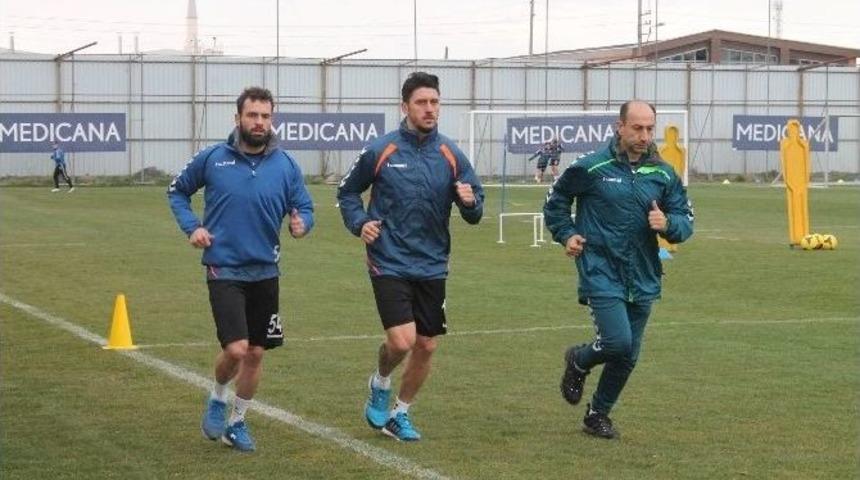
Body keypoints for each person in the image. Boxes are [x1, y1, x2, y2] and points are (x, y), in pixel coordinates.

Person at [337, 72, 484, 442]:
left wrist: (470, 202)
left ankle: (399, 414)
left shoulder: (451, 153)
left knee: (427, 344)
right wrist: (360, 223)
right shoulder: (381, 150)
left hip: (432, 263)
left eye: (434, 102)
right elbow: (347, 192)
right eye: (421, 102)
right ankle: (380, 380)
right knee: (402, 341)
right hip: (388, 259)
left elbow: (474, 209)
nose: (429, 109)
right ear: (405, 107)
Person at [167, 86, 314, 452]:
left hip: (266, 271)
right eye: (252, 115)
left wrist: (302, 224)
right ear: (238, 118)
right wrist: (192, 227)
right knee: (236, 350)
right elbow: (177, 191)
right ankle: (218, 396)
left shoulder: (286, 164)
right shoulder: (213, 158)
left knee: (256, 354)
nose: (259, 122)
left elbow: (304, 206)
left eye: (265, 116)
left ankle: (237, 422)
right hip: (225, 268)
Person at [543, 100, 694, 439]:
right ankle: (579, 360)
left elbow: (685, 219)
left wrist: (668, 224)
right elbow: (556, 202)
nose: (644, 136)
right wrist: (566, 234)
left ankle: (597, 414)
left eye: (650, 129)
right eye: (637, 128)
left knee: (628, 355)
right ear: (620, 126)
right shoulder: (591, 166)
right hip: (600, 268)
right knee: (617, 342)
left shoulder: (664, 173)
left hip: (643, 273)